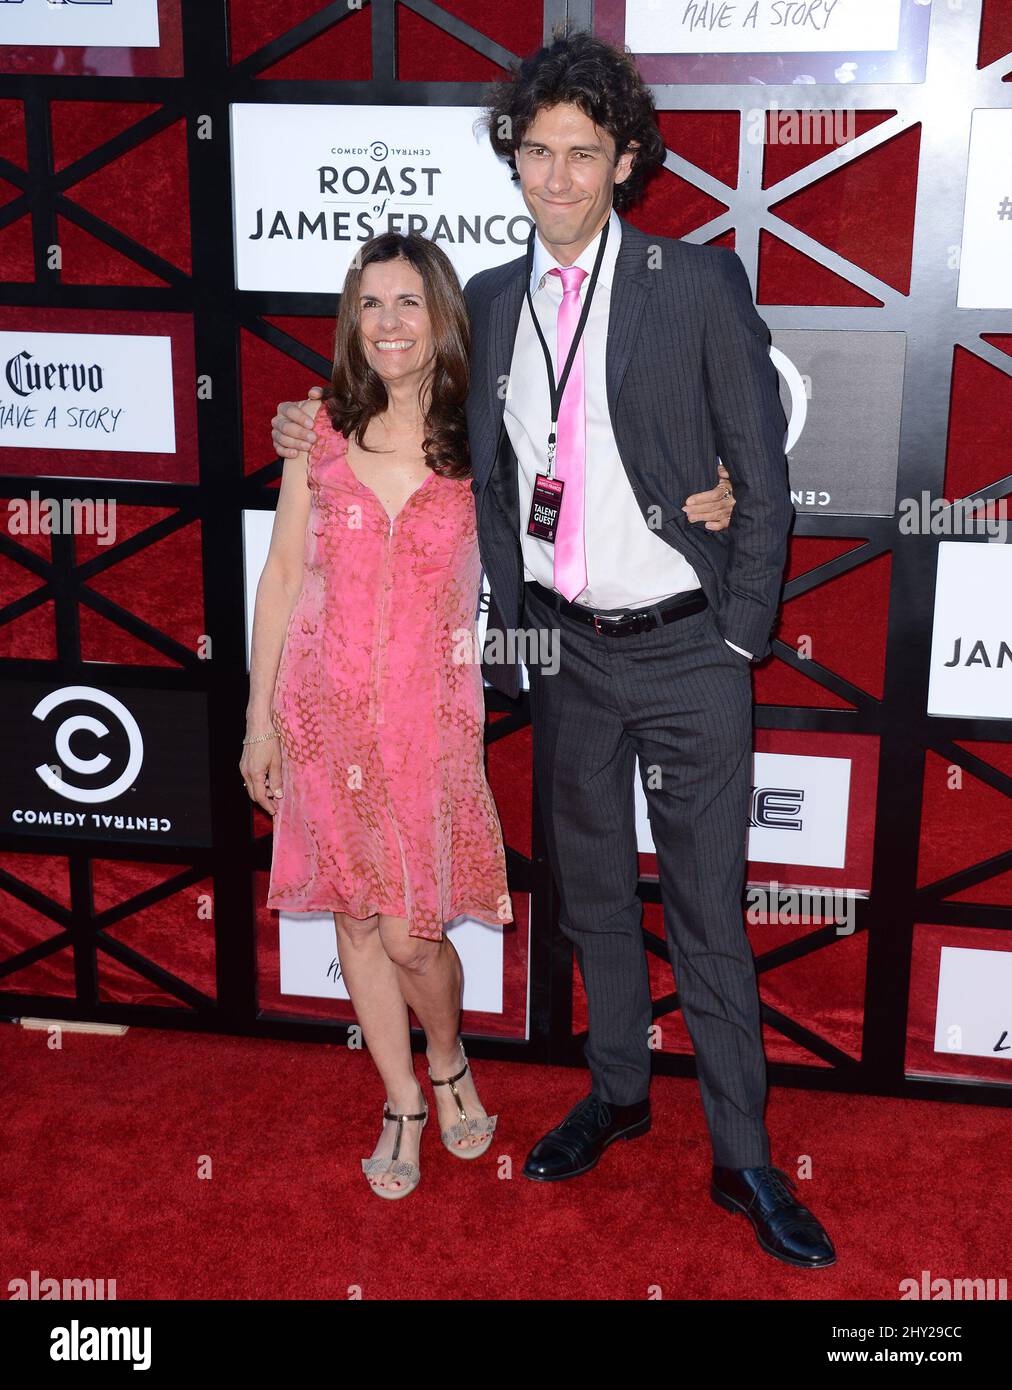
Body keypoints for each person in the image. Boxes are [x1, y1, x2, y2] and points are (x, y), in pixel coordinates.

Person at [243, 232, 515, 1200]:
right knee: (356, 918)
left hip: (428, 720)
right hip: (320, 711)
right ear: (350, 322)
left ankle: (447, 1058)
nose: (390, 322)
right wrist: (259, 721)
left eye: (409, 302)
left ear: (441, 316)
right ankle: (401, 1097)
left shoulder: (485, 432)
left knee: (413, 933)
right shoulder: (316, 427)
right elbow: (282, 573)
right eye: (370, 304)